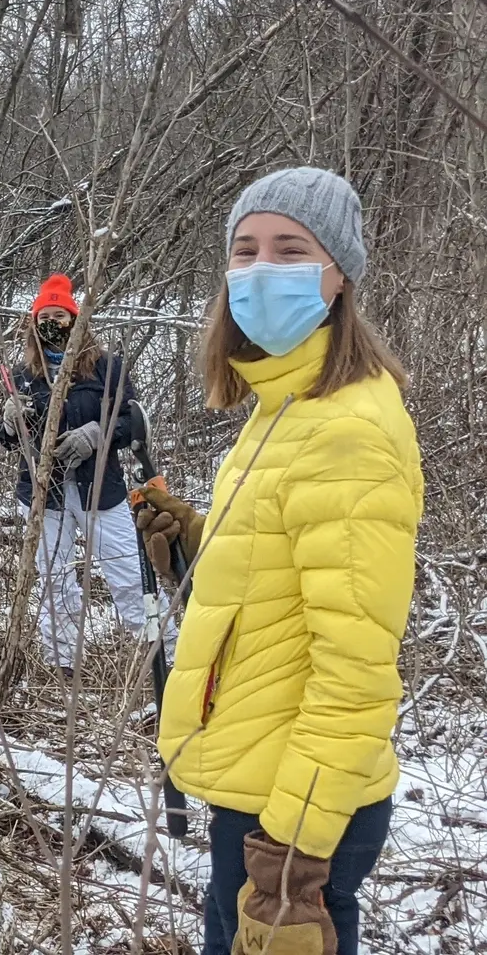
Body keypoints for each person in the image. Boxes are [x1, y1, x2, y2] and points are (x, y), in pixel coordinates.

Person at [135, 169, 422, 955]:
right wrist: (203, 548)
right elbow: (295, 579)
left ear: (338, 276)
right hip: (259, 773)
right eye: (244, 249)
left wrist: (294, 848)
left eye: (290, 250)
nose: (260, 270)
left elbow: (356, 668)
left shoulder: (345, 431)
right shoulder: (284, 407)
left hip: (292, 803)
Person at [0, 274, 151, 676]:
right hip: (45, 493)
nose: (52, 323)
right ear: (33, 324)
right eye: (43, 316)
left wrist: (97, 433)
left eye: (59, 315)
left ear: (76, 319)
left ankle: (163, 656)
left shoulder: (105, 368)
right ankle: (63, 665)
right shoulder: (25, 373)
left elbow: (133, 420)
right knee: (53, 582)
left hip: (101, 489)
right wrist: (12, 422)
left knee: (128, 573)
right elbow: (5, 437)